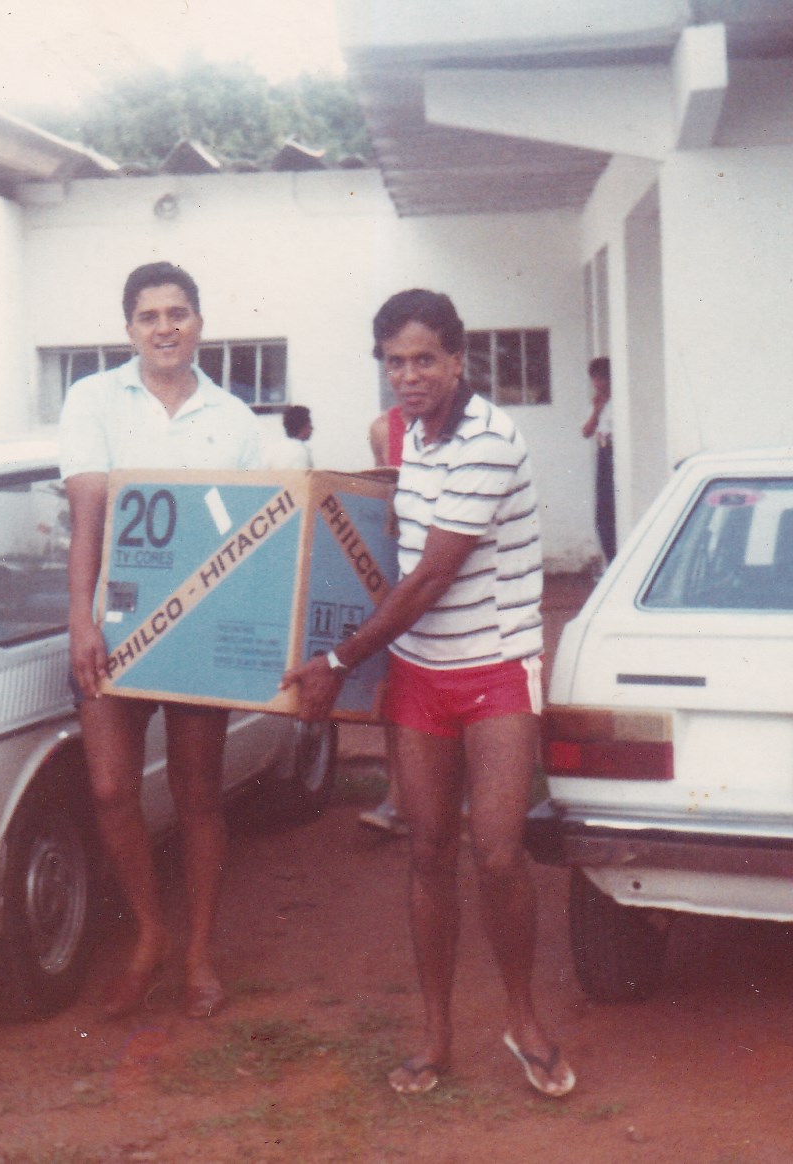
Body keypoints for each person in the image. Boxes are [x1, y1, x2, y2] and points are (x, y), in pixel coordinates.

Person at [282, 289, 576, 1099]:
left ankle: (523, 1020)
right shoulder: (407, 435)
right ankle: (437, 1037)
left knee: (500, 853)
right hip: (418, 676)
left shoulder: (491, 439)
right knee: (427, 852)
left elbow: (430, 579)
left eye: (424, 360)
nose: (408, 376)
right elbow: (392, 545)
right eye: (394, 362)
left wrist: (337, 659)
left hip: (495, 670)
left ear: (457, 360)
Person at [60, 261, 263, 1021]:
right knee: (111, 789)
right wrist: (81, 618)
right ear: (129, 329)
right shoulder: (92, 399)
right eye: (149, 316)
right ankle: (150, 934)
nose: (165, 327)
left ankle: (200, 952)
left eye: (178, 313)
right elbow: (87, 517)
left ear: (199, 323)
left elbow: (252, 534)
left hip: (198, 629)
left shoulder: (233, 419)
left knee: (198, 793)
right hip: (114, 626)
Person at [357, 402, 410, 837]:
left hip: (457, 568)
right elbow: (382, 501)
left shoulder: (473, 425)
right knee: (397, 683)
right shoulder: (383, 429)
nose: (411, 375)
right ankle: (397, 798)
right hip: (401, 566)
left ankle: (463, 790)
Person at [582, 356, 615, 565]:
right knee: (602, 513)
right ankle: (609, 559)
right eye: (594, 379)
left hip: (614, 453)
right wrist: (597, 410)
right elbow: (586, 432)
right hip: (603, 453)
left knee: (612, 509)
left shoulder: (619, 401)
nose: (597, 383)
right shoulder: (598, 402)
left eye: (601, 378)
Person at [261, 404, 315, 470]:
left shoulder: (272, 450)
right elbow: (302, 476)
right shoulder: (301, 452)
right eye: (309, 424)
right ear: (303, 427)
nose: (312, 428)